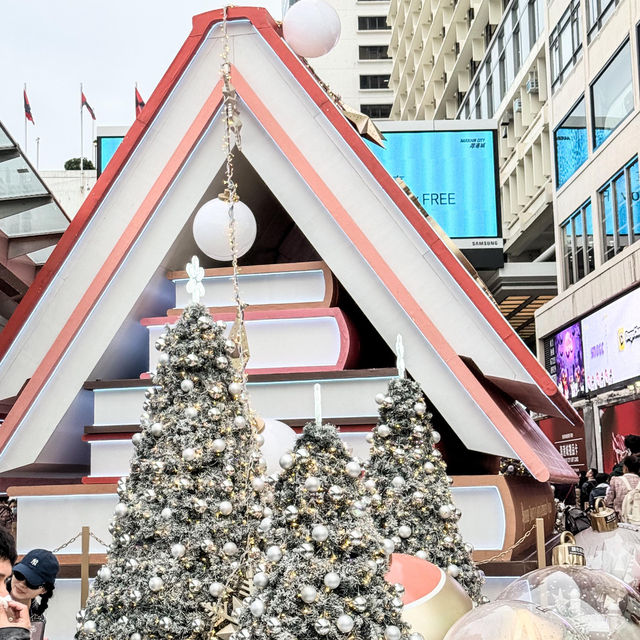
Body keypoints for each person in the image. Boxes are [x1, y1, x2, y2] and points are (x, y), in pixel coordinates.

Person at [8, 549, 58, 632]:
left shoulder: (37, 620)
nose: (21, 584)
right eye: (19, 575)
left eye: (31, 582)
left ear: (44, 590)